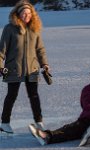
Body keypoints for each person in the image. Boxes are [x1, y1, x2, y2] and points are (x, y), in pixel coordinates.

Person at [0, 0, 50, 133]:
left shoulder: (35, 29)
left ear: (32, 14)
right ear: (18, 14)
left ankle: (39, 122)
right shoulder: (9, 28)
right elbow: (1, 50)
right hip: (13, 68)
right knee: (11, 95)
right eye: (23, 13)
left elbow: (40, 49)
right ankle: (4, 124)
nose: (26, 16)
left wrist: (44, 64)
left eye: (28, 13)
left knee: (34, 95)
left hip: (32, 69)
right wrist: (0, 66)